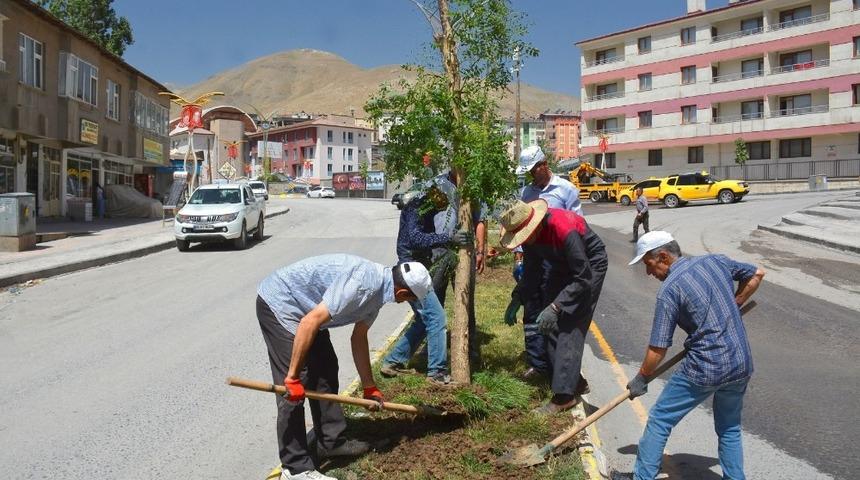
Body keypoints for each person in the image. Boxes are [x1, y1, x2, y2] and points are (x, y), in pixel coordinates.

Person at [256, 254, 433, 480]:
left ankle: (331, 442)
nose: (407, 303)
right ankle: (294, 468)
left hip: (308, 311)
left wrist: (369, 386)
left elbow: (359, 337)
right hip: (281, 303)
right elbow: (309, 322)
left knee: (326, 368)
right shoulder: (364, 285)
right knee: (293, 387)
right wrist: (291, 378)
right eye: (410, 299)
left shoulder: (379, 292)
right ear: (402, 293)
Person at [625, 231, 765, 480]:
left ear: (664, 257)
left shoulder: (669, 290)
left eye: (649, 264)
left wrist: (641, 378)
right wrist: (736, 303)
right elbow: (757, 274)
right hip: (740, 362)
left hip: (706, 368)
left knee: (660, 419)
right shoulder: (715, 261)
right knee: (730, 428)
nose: (648, 272)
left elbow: (658, 348)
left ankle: (642, 477)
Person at [499, 199, 607, 414]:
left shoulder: (564, 229)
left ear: (534, 225)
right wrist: (519, 296)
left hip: (588, 267)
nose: (524, 241)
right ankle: (574, 383)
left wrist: (557, 306)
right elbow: (533, 270)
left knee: (569, 325)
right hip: (560, 267)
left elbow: (582, 276)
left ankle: (564, 397)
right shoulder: (532, 236)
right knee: (548, 325)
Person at [380, 177, 473, 386]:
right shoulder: (416, 206)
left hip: (417, 268)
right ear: (434, 194)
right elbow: (415, 238)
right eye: (443, 200)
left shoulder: (425, 207)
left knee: (423, 320)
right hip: (411, 271)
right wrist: (448, 238)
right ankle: (437, 372)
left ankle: (393, 362)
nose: (444, 205)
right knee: (437, 318)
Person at [507, 145, 583, 382]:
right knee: (531, 309)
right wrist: (519, 256)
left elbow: (577, 225)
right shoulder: (527, 193)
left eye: (534, 169)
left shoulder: (565, 190)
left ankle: (559, 367)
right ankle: (537, 363)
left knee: (553, 312)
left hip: (558, 261)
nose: (532, 175)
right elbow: (521, 227)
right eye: (528, 171)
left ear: (544, 165)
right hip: (533, 257)